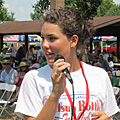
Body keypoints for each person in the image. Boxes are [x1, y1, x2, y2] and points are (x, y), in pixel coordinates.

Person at [15, 7, 119, 120]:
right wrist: (55, 95)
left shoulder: (99, 75)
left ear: (73, 41)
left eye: (52, 38)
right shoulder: (33, 79)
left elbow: (108, 115)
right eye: (43, 38)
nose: (44, 45)